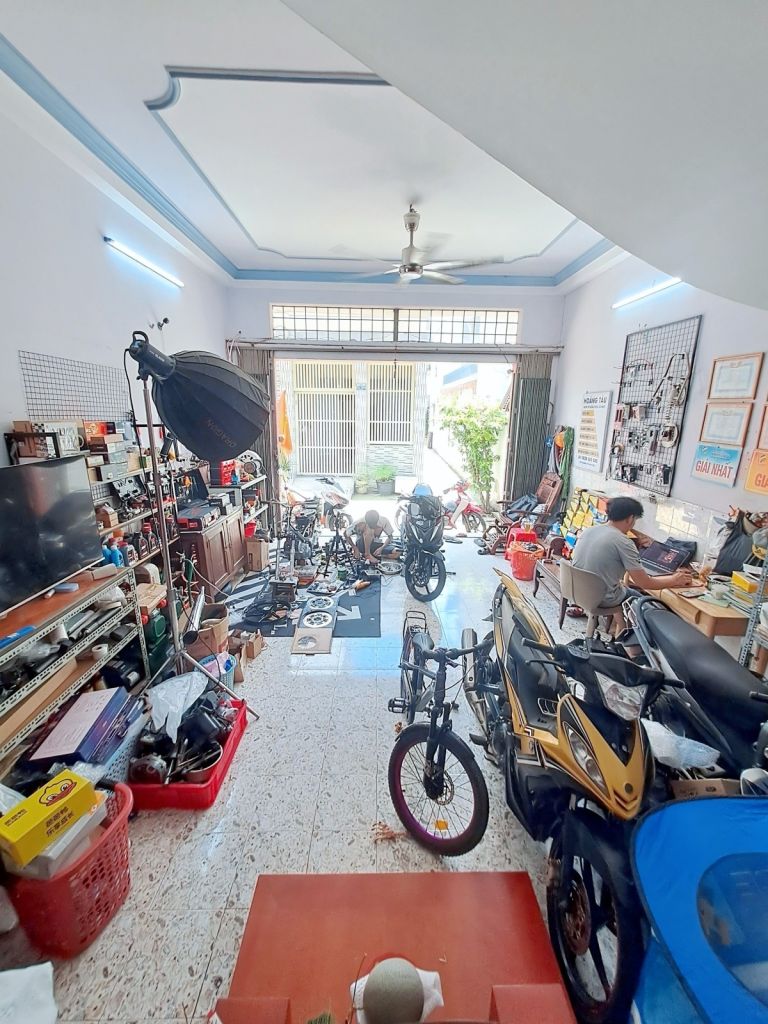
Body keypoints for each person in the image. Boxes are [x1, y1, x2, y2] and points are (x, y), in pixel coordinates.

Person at [572, 496, 693, 607]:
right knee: (647, 604)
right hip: (602, 598)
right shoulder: (623, 542)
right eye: (635, 520)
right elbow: (644, 583)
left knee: (621, 587)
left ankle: (620, 623)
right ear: (630, 519)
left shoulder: (590, 530)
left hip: (576, 591)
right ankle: (629, 624)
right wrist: (674, 579)